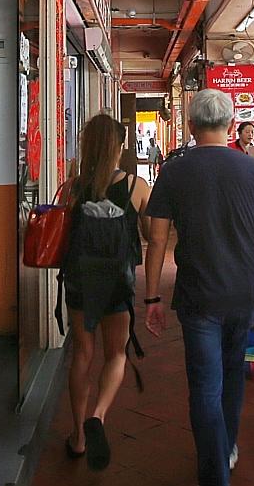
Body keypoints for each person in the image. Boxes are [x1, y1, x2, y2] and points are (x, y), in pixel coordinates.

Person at [142, 89, 254, 486]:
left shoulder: (173, 171)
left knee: (204, 386)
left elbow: (157, 239)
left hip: (198, 296)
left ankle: (214, 472)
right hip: (246, 294)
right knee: (233, 373)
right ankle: (226, 447)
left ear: (191, 126)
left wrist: (151, 298)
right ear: (231, 127)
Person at [60, 114, 151, 470]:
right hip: (117, 282)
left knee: (82, 352)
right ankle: (97, 415)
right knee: (116, 354)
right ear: (119, 146)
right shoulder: (136, 185)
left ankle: (78, 437)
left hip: (80, 280)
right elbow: (152, 231)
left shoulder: (72, 187)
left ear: (87, 145)